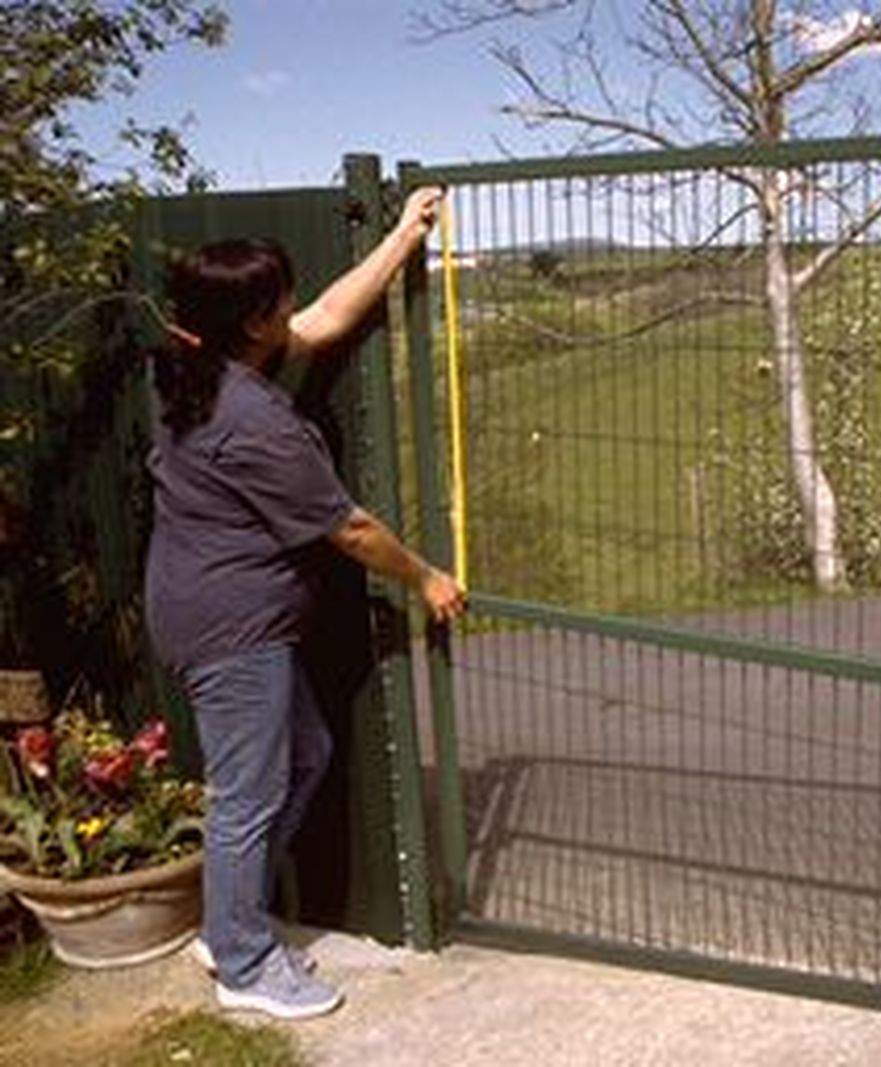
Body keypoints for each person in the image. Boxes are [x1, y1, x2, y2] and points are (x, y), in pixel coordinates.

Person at [144, 187, 466, 1020]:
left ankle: (230, 918)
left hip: (212, 610)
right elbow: (351, 528)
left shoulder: (186, 361)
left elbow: (323, 317)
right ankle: (246, 965)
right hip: (232, 630)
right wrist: (427, 577)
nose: (294, 305)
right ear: (252, 323)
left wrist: (402, 236)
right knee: (247, 795)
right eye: (279, 298)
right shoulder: (249, 417)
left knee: (303, 757)